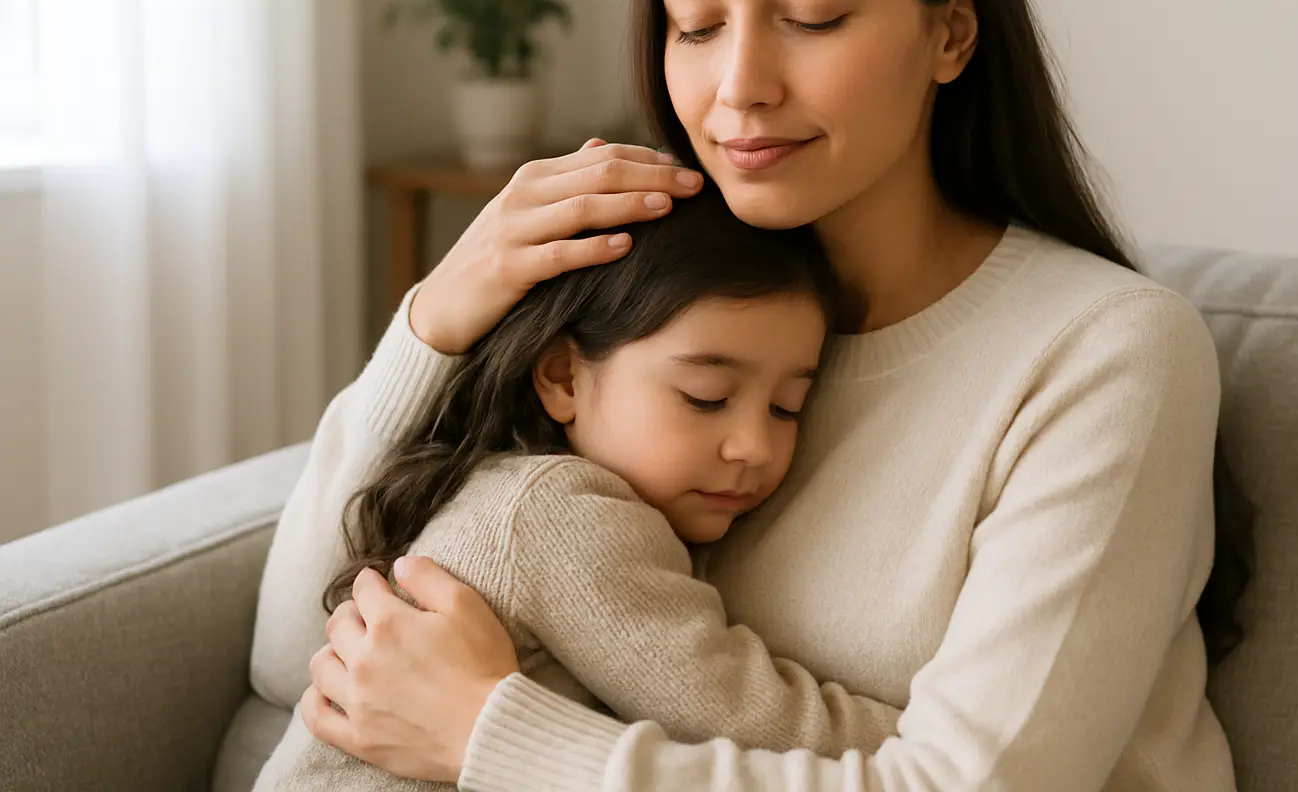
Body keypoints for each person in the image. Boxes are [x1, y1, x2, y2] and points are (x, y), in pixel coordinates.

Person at [249, 0, 1250, 789]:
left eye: (811, 15)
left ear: (951, 32)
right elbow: (295, 663)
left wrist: (490, 737)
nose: (739, 88)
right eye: (695, 24)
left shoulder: (1107, 351)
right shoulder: (649, 308)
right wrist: (436, 320)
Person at [251, 190, 903, 791]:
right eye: (706, 397)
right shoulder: (563, 511)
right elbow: (740, 713)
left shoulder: (512, 487)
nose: (754, 446)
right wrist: (924, 744)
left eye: (788, 407)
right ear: (564, 376)